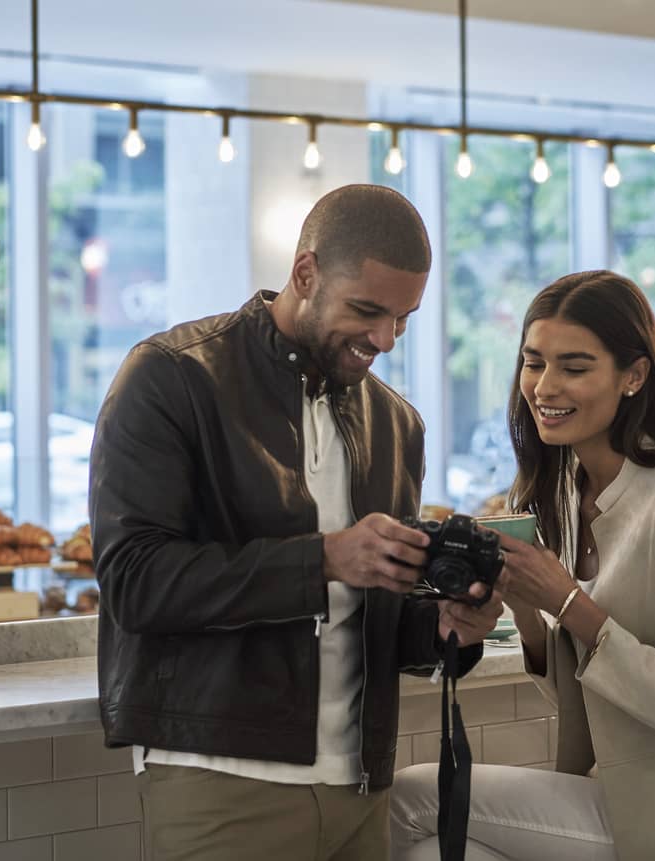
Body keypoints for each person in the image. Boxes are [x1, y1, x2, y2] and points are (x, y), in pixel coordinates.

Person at [91, 184, 504, 861]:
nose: (383, 338)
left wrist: (446, 629)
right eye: (367, 310)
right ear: (305, 273)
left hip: (360, 785)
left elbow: (376, 615)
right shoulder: (171, 378)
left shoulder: (397, 424)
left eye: (403, 318)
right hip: (221, 782)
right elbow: (136, 583)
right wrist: (325, 560)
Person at [391, 270, 655, 860]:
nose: (544, 387)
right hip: (615, 797)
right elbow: (593, 696)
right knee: (433, 852)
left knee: (410, 800)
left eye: (574, 368)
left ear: (634, 376)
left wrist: (566, 601)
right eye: (534, 362)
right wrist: (526, 603)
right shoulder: (571, 494)